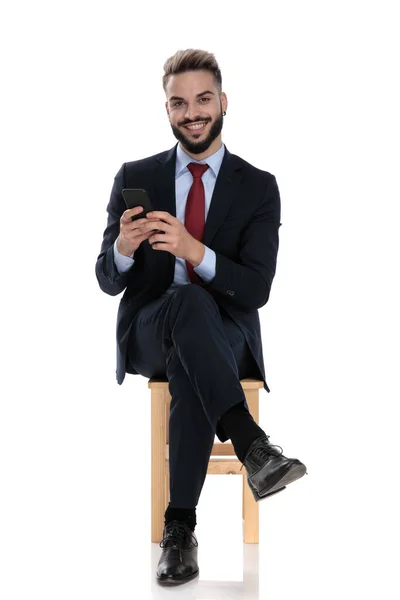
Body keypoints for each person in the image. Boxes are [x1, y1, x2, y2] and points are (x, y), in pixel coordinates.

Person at [95, 48, 307, 586]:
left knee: (191, 355)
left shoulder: (258, 186)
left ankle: (179, 530)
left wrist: (195, 251)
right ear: (167, 110)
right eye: (179, 103)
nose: (193, 112)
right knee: (184, 310)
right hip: (149, 327)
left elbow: (256, 288)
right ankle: (250, 443)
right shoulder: (135, 175)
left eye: (203, 99)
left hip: (226, 334)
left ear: (223, 102)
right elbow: (106, 278)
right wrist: (122, 245)